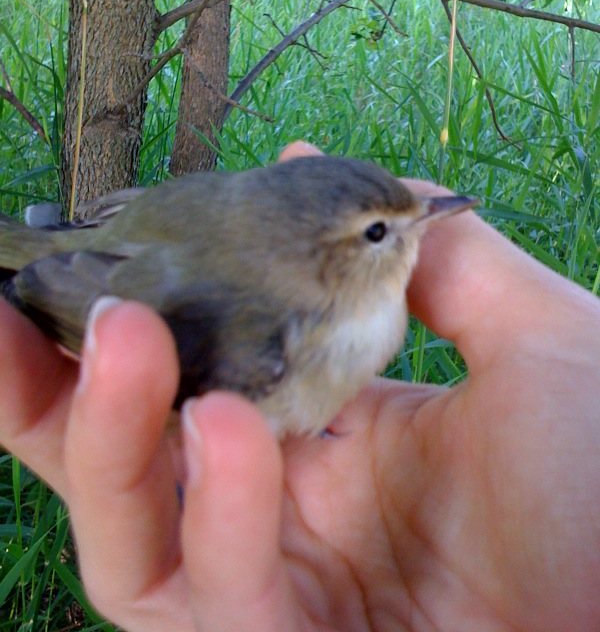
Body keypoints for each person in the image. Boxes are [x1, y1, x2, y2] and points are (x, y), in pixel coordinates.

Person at [1, 141, 599, 632]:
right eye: (376, 234)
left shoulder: (341, 296)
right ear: (324, 261)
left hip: (117, 246)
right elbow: (121, 324)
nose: (428, 217)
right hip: (98, 291)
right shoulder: (275, 334)